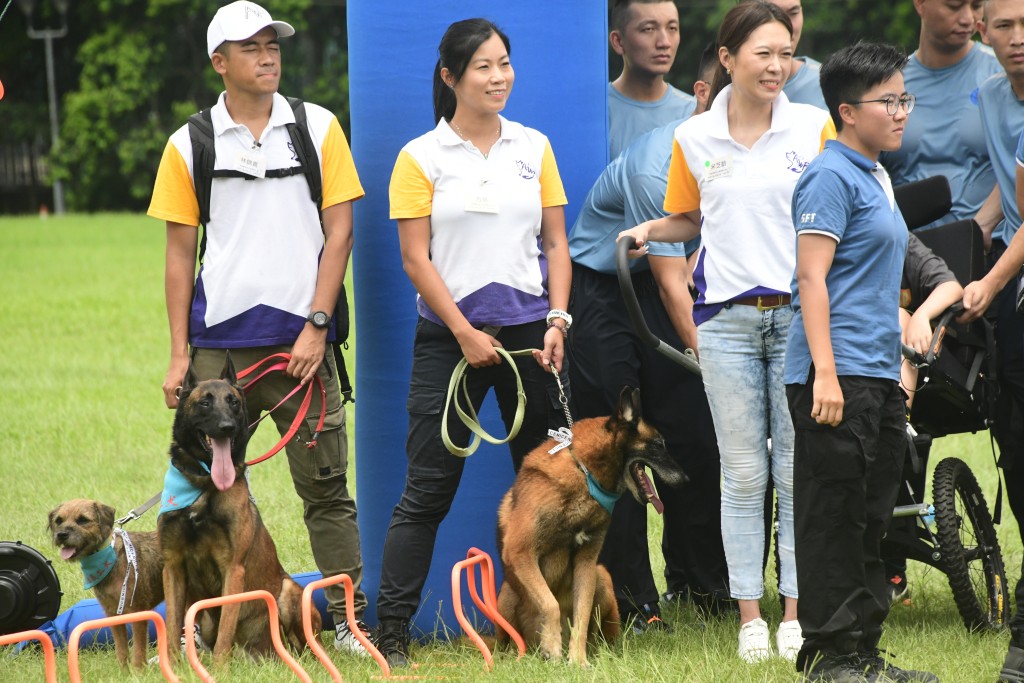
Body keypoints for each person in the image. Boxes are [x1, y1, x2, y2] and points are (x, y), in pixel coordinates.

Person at [146, 0, 370, 655]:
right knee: (198, 494)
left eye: (273, 44)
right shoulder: (189, 142)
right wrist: (178, 355)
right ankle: (199, 625)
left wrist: (317, 326)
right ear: (220, 62)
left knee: (326, 490)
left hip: (302, 348)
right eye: (252, 47)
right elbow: (179, 254)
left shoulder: (318, 126)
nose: (268, 55)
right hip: (218, 351)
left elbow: (341, 233)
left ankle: (348, 625)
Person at [620, 1, 835, 664]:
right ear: (727, 58)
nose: (777, 66)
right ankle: (750, 615)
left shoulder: (814, 127)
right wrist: (654, 230)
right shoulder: (696, 139)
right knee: (742, 471)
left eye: (784, 53)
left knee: (795, 467)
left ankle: (795, 611)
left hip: (799, 318)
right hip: (727, 323)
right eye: (762, 54)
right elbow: (690, 217)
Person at [373, 18, 571, 669]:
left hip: (529, 340)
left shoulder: (534, 147)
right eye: (483, 66)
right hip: (449, 341)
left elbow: (555, 245)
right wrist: (463, 332)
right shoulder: (419, 157)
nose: (498, 77)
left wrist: (558, 318)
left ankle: (554, 624)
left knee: (547, 488)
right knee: (426, 490)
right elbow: (414, 258)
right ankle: (392, 632)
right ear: (450, 76)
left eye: (505, 63)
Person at [784, 40, 938, 683]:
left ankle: (861, 652)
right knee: (833, 514)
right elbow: (811, 280)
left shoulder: (876, 173)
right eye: (889, 101)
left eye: (906, 98)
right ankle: (830, 654)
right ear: (848, 110)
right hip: (835, 372)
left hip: (876, 372)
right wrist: (824, 371)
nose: (902, 111)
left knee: (872, 518)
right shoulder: (829, 175)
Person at [568, 44, 729, 633]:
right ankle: (637, 606)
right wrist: (716, 362)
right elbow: (668, 284)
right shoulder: (655, 164)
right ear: (703, 97)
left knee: (695, 437)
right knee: (625, 446)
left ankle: (707, 588)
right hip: (609, 290)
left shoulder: (738, 152)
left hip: (681, 284)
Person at [961, 3, 1024, 679]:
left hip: (1011, 277)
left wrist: (987, 281)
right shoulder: (991, 93)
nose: (1019, 38)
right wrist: (976, 234)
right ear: (983, 29)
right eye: (1005, 24)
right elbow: (1010, 195)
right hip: (1011, 285)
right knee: (1010, 432)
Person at [880, 0, 1001, 234]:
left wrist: (981, 228)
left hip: (989, 251)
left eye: (976, 6)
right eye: (954, 6)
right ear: (920, 4)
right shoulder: (889, 84)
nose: (968, 18)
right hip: (910, 251)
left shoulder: (1001, 76)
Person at [608, 0, 696, 158]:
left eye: (672, 28)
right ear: (618, 41)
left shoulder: (695, 113)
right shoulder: (598, 115)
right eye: (648, 29)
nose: (664, 42)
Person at [767, 0, 828, 108]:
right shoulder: (728, 86)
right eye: (772, 14)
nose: (788, 26)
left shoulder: (829, 85)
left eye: (793, 13)